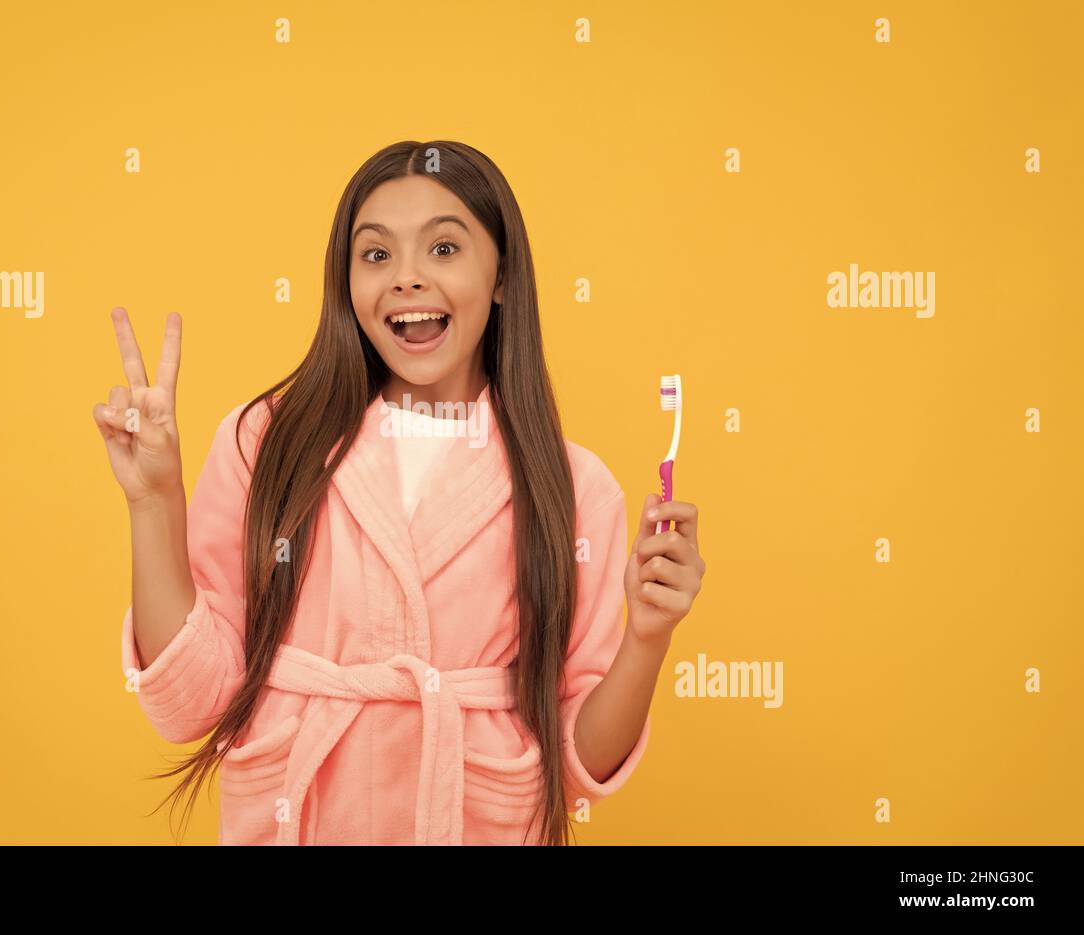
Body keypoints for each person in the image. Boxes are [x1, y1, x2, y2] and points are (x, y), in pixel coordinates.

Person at [92, 140, 706, 845]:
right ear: (346, 282)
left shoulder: (573, 489)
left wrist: (649, 636)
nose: (407, 278)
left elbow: (579, 759)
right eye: (377, 254)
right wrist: (154, 502)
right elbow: (190, 702)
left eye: (444, 249)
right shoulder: (265, 443)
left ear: (502, 276)